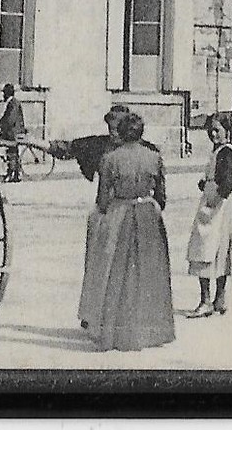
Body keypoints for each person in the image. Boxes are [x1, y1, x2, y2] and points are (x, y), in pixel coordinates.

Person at [80, 111, 175, 352]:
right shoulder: (155, 157)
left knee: (116, 273)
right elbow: (162, 197)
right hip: (148, 217)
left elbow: (102, 199)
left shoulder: (110, 158)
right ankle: (149, 331)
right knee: (149, 273)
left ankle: (116, 332)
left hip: (119, 214)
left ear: (121, 133)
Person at [185, 115, 232, 317]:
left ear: (227, 130)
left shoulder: (226, 152)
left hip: (217, 207)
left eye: (217, 130)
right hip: (215, 203)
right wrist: (205, 184)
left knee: (207, 249)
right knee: (216, 250)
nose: (213, 134)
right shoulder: (219, 151)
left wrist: (212, 199)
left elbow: (227, 183)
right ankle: (218, 299)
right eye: (211, 131)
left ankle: (208, 299)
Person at [0, 83, 27, 183]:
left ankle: (12, 173)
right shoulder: (12, 103)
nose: (3, 96)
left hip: (14, 132)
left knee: (11, 151)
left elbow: (10, 120)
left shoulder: (13, 103)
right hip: (12, 131)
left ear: (7, 94)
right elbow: (4, 118)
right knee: (12, 150)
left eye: (4, 93)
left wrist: (0, 128)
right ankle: (15, 173)